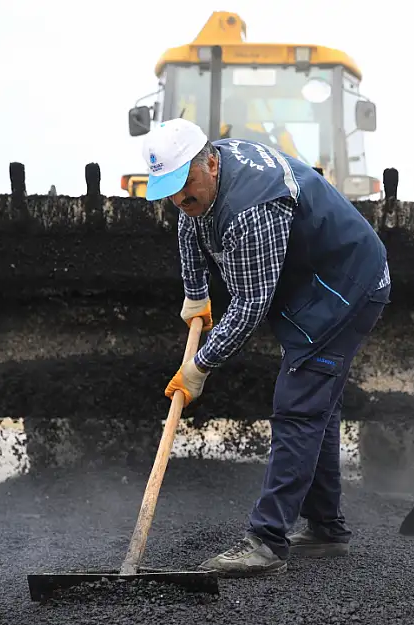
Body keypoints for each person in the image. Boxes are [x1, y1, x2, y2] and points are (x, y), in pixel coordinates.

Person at [142, 117, 392, 577]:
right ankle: (325, 529)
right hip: (312, 282)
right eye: (170, 190)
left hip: (346, 287)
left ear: (211, 164)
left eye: (186, 185)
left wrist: (200, 366)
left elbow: (252, 303)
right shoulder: (204, 176)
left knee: (297, 405)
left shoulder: (253, 207)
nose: (180, 198)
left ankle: (265, 541)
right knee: (318, 408)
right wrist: (195, 294)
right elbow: (190, 224)